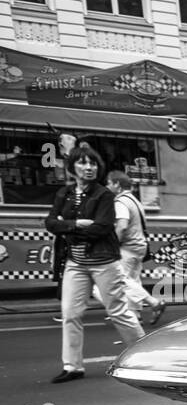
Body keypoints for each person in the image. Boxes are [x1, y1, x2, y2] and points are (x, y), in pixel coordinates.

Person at [44, 145, 144, 383]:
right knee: (70, 313)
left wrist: (66, 224)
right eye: (83, 163)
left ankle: (145, 357)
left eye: (93, 164)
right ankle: (72, 366)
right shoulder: (64, 194)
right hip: (75, 262)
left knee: (118, 310)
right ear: (72, 167)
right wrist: (78, 224)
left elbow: (102, 227)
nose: (88, 168)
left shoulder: (104, 195)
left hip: (103, 262)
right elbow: (50, 223)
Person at [106, 171, 165, 327]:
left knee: (121, 279)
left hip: (127, 246)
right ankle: (135, 315)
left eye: (109, 183)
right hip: (140, 246)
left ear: (117, 184)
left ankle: (154, 302)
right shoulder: (135, 201)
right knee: (133, 281)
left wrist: (113, 244)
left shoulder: (121, 202)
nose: (107, 186)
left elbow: (122, 225)